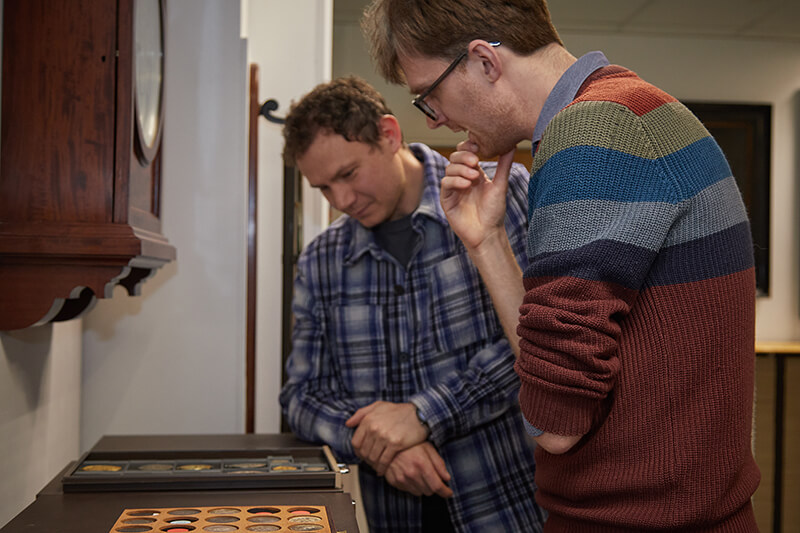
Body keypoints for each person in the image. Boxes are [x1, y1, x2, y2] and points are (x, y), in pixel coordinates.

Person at [361, 1, 761, 532]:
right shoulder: (636, 110)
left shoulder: (593, 136)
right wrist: (487, 242)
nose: (436, 119)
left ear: (483, 60)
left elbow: (555, 422)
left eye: (428, 95)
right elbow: (561, 372)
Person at [278, 76, 546, 533]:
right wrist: (380, 444)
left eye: (347, 174)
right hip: (387, 516)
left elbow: (539, 341)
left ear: (389, 134)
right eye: (323, 188)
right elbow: (301, 397)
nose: (341, 201)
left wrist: (425, 414)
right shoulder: (321, 260)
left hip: (508, 507)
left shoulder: (498, 196)